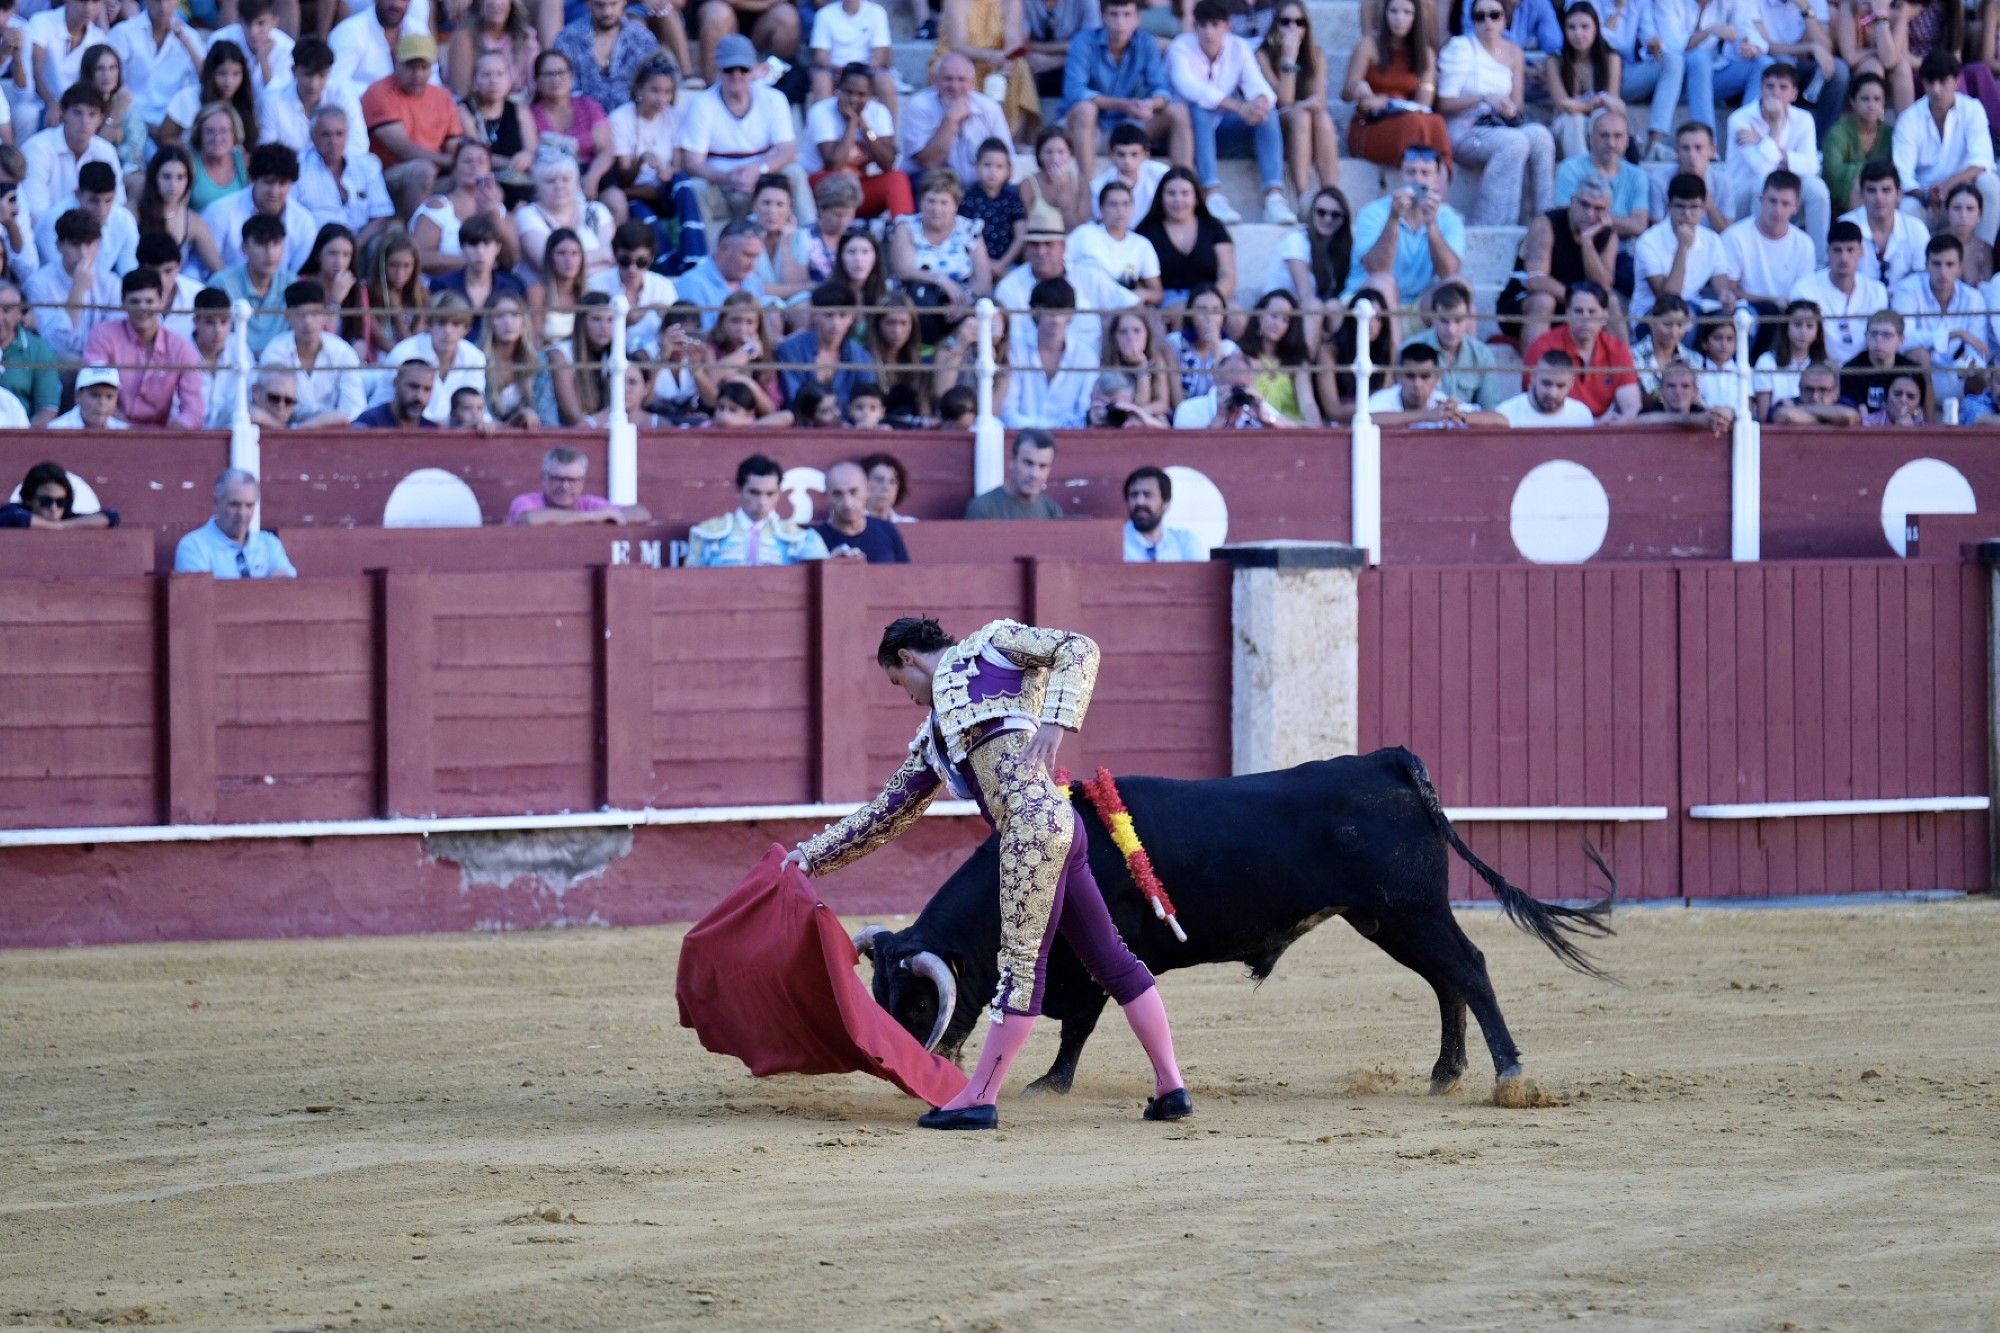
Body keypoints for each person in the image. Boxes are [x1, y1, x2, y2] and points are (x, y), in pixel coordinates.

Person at [785, 613, 1192, 1131]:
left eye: (898, 681)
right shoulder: (937, 731)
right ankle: (1170, 1086)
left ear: (907, 657)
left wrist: (1056, 720)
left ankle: (979, 1096)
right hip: (1061, 827)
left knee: (1022, 968)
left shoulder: (995, 646)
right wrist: (813, 855)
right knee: (1110, 957)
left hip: (1028, 835)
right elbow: (887, 813)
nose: (907, 696)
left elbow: (1079, 647)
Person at [1169, 0, 1294, 224]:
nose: (1209, 32)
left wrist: (1261, 102)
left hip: (1220, 131)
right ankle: (1212, 193)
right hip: (1185, 133)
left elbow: (1256, 84)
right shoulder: (1181, 46)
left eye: (1215, 25)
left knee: (1268, 114)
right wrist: (1238, 107)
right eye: (1203, 25)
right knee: (1201, 108)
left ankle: (1275, 198)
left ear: (1227, 26)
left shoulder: (1239, 47)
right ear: (1195, 26)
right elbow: (1189, 88)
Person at [1438, 0, 1557, 224]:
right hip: (1464, 128)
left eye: (1494, 15)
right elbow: (1443, 103)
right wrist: (1483, 98)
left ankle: (1545, 220)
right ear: (1472, 21)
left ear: (1505, 18)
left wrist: (1510, 109)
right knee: (1514, 143)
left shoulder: (1514, 52)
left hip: (1500, 124)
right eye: (1479, 16)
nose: (1487, 22)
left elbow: (1518, 105)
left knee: (1541, 136)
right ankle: (1491, 226)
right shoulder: (1460, 47)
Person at [681, 34, 810, 235]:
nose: (736, 75)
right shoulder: (701, 105)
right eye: (729, 69)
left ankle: (811, 241)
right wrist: (729, 177)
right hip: (721, 188)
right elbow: (693, 162)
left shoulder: (774, 99)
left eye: (743, 69)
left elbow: (788, 150)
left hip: (765, 183)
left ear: (754, 70)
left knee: (795, 173)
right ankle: (705, 257)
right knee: (695, 187)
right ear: (718, 69)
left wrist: (760, 170)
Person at [1063, 0, 1189, 185]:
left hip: (1128, 127)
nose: (1120, 22)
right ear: (1104, 17)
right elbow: (1075, 91)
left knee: (1178, 111)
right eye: (1114, 14)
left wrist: (1151, 104)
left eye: (1127, 15)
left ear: (1138, 18)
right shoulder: (1083, 42)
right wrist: (1125, 105)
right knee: (1086, 109)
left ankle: (1184, 183)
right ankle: (1087, 185)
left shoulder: (1146, 43)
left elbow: (1161, 89)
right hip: (1088, 130)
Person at [1498, 172, 1621, 348]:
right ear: (1572, 201)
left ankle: (1625, 373)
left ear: (1607, 211)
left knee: (1612, 303)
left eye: (1598, 208)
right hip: (1524, 302)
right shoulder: (1546, 224)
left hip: (1575, 307)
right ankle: (1534, 373)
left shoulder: (1608, 236)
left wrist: (1587, 243)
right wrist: (1577, 300)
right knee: (1544, 301)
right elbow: (1537, 280)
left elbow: (1603, 287)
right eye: (1584, 205)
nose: (1589, 213)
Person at [1722, 62, 1831, 254]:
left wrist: (1762, 141)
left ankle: (1819, 260)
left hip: (1784, 192)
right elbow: (1764, 170)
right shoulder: (1740, 120)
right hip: (1742, 195)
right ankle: (1757, 254)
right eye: (1769, 86)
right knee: (1763, 185)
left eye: (1783, 88)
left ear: (1794, 94)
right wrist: (1775, 128)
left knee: (1817, 188)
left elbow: (1811, 166)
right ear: (1761, 89)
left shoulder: (1804, 119)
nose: (1775, 92)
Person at [1891, 50, 1999, 242]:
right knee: (1907, 207)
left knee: (1990, 184)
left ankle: (1983, 254)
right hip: (1927, 202)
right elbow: (1903, 175)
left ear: (1956, 81)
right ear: (1923, 84)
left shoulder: (1972, 109)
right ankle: (1921, 265)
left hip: (1965, 196)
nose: (1936, 89)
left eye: (1942, 82)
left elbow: (1982, 161)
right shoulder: (1909, 119)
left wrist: (1948, 186)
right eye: (1930, 82)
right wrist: (1926, 195)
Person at [82, 268, 204, 428]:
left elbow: (193, 410)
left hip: (160, 439)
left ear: (161, 302)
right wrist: (131, 430)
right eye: (135, 301)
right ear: (123, 303)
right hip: (110, 430)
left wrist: (175, 430)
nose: (142, 308)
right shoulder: (103, 335)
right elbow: (94, 393)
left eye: (149, 301)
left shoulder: (180, 348)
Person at [1348, 144, 1465, 308]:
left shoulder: (1449, 218)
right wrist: (1393, 218)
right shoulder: (1372, 213)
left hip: (1419, 304)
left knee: (1458, 285)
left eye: (1425, 173)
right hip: (1371, 304)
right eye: (1411, 172)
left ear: (1437, 180)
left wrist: (1431, 224)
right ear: (1401, 176)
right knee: (1384, 283)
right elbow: (1377, 268)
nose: (1418, 180)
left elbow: (1449, 271)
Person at [362, 34, 462, 222]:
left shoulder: (442, 97)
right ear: (396, 63)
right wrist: (453, 162)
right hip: (388, 175)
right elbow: (403, 150)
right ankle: (418, 237)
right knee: (421, 170)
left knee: (474, 175)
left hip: (436, 171)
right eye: (410, 66)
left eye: (424, 67)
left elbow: (455, 145)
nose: (417, 75)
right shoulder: (379, 93)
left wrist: (464, 164)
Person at [1344, 0, 1452, 169]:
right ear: (1385, 14)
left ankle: (1439, 187)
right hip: (1370, 125)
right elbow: (1346, 92)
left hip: (1407, 118)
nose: (1399, 18)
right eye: (1393, 11)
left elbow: (1423, 105)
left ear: (1416, 18)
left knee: (1436, 123)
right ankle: (1415, 183)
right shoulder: (1368, 45)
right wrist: (1358, 88)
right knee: (1414, 124)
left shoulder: (1426, 54)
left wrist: (1389, 102)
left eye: (1407, 13)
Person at [1721, 168, 1815, 353]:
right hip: (1745, 314)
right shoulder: (1735, 237)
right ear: (1761, 200)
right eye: (1772, 201)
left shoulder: (1804, 244)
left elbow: (1802, 295)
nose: (1777, 210)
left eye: (1785, 203)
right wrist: (1772, 300)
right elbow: (1729, 290)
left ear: (1796, 207)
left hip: (1788, 315)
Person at [804, 61, 912, 220]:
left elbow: (888, 164)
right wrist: (852, 123)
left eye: (861, 94)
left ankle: (906, 233)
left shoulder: (879, 112)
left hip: (862, 189)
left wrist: (865, 127)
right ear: (838, 89)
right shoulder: (821, 112)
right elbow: (834, 164)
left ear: (871, 94)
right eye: (848, 92)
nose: (854, 99)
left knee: (897, 179)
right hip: (827, 188)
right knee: (827, 178)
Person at [1519, 278, 1641, 418]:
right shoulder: (1543, 347)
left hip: (1601, 430)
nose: (1585, 318)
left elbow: (1631, 407)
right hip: (1555, 426)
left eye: (1592, 312)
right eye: (1578, 311)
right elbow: (1538, 404)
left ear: (1605, 315)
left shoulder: (1618, 349)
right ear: (1567, 313)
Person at [1890, 231, 1987, 404]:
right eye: (1936, 264)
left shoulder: (1973, 298)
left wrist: (1968, 365)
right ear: (1926, 265)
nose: (1943, 272)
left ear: (1960, 268)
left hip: (1958, 373)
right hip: (1918, 374)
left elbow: (1979, 348)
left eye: (1950, 264)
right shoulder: (1907, 289)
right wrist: (1954, 334)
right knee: (1919, 355)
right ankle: (1927, 421)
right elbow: (1901, 340)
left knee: (1981, 374)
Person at [689, 453, 832, 566]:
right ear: (739, 490)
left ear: (779, 494)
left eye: (770, 494)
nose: (762, 502)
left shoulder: (802, 538)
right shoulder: (706, 534)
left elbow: (825, 577)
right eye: (754, 492)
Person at [258, 278, 367, 425]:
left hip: (335, 431)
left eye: (315, 314)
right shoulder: (275, 353)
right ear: (287, 316)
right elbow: (271, 407)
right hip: (286, 433)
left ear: (325, 315)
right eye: (300, 315)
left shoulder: (343, 352)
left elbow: (354, 410)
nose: (308, 322)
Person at [203, 143, 321, 274]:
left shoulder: (304, 222)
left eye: (282, 183)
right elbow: (199, 270)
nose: (274, 191)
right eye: (268, 182)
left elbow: (299, 276)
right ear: (253, 178)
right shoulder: (219, 212)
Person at [902, 53, 1015, 186]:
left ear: (972, 84)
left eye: (961, 80)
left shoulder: (990, 108)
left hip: (978, 186)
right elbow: (929, 163)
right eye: (948, 79)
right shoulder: (920, 105)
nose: (955, 87)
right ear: (936, 81)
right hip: (934, 182)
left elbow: (1006, 161)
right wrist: (950, 120)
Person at [24, 207, 120, 362]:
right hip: (58, 366)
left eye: (89, 244)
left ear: (98, 244)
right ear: (59, 245)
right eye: (75, 244)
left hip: (102, 363)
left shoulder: (112, 284)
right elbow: (57, 345)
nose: (83, 253)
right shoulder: (38, 284)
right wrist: (78, 290)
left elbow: (116, 338)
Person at [1136, 166, 1235, 308]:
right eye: (1171, 193)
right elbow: (1139, 278)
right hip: (1166, 299)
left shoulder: (1214, 226)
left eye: (1185, 193)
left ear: (1196, 198)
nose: (1178, 200)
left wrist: (1213, 298)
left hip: (1211, 296)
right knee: (1181, 310)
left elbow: (1228, 275)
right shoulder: (1147, 231)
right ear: (1161, 198)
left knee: (1237, 317)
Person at [1791, 217, 1886, 364]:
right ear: (1827, 252)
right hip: (1818, 369)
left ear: (1861, 252)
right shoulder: (1805, 290)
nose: (1844, 258)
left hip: (1864, 370)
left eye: (1850, 250)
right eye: (1837, 250)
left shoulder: (1877, 291)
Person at [1402, 280, 1510, 408]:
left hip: (1467, 424)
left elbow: (1491, 408)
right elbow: (1399, 404)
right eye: (1444, 321)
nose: (1451, 330)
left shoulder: (1482, 355)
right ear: (1432, 318)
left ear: (1469, 318)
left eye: (1458, 320)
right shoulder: (1408, 349)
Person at [173, 468, 297, 579]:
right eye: (234, 505)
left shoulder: (270, 544)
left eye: (249, 506)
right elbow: (197, 599)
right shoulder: (193, 547)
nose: (242, 513)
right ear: (217, 503)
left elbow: (288, 587)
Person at [296, 105, 394, 245]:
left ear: (347, 135)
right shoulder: (298, 169)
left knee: (385, 242)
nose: (333, 142)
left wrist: (354, 246)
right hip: (316, 246)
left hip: (360, 244)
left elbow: (381, 215)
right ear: (313, 137)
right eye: (326, 134)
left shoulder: (367, 165)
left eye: (339, 134)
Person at [1555, 107, 1650, 241]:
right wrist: (1616, 222)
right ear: (1591, 138)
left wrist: (1591, 217)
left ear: (1627, 140)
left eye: (1618, 136)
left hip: (1622, 253)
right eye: (1604, 135)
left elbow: (1639, 225)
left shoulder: (1637, 175)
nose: (1611, 143)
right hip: (1578, 247)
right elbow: (1567, 219)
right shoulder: (1570, 169)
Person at [211, 212, 297, 359]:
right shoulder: (221, 284)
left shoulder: (292, 285)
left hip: (280, 364)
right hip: (233, 362)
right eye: (261, 244)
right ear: (244, 247)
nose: (270, 253)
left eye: (276, 243)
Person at [1546, 1, 1623, 161]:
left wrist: (1582, 105)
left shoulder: (1611, 59)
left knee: (1603, 117)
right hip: (1564, 126)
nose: (1578, 34)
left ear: (1596, 27)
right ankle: (1584, 177)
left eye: (1584, 26)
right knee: (1574, 120)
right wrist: (1595, 102)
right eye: (1571, 27)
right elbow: (1563, 104)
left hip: (1598, 120)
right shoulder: (1554, 61)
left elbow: (1612, 103)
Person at [551, 0, 660, 114]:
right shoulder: (568, 38)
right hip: (583, 120)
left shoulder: (643, 40)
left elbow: (654, 83)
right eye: (600, 5)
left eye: (613, 4)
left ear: (624, 2)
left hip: (632, 121)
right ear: (588, 3)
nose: (607, 11)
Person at [505, 444, 651, 524]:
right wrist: (595, 517)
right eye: (558, 479)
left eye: (572, 480)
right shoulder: (527, 501)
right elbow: (529, 519)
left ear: (582, 481)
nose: (565, 486)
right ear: (544, 478)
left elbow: (641, 513)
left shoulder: (588, 503)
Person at [1068, 180, 1163, 303]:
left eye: (1125, 204)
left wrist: (1143, 294)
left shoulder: (1142, 245)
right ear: (1101, 208)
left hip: (1121, 309)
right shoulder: (1084, 234)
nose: (1120, 210)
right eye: (1113, 204)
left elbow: (1157, 293)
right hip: (1084, 305)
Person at [1841, 157, 1926, 287]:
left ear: (1899, 194)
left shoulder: (1916, 229)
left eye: (1886, 190)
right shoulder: (1844, 226)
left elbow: (1923, 280)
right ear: (1862, 194)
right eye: (1871, 190)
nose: (1879, 198)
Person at [813, 458, 910, 562]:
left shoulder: (887, 530)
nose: (847, 503)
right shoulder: (814, 541)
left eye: (853, 492)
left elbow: (906, 575)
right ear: (826, 497)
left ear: (867, 490)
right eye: (837, 494)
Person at [1821, 69, 1892, 209]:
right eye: (1865, 99)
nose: (1871, 105)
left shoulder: (1891, 134)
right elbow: (1832, 171)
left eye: (1877, 99)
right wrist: (1870, 174)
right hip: (1842, 202)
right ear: (1853, 101)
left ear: (1883, 103)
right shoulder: (1838, 133)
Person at [809, 0, 895, 112]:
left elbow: (881, 55)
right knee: (821, 80)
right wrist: (842, 70)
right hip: (835, 71)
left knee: (885, 81)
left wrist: (859, 71)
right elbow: (821, 56)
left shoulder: (877, 12)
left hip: (867, 70)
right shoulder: (824, 14)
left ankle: (889, 128)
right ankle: (822, 127)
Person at [1172, 350, 1294, 426]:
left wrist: (1267, 420)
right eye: (1230, 387)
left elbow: (1301, 432)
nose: (1236, 393)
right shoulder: (1189, 409)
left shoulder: (1258, 408)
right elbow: (1188, 450)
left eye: (1241, 387)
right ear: (1216, 380)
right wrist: (1220, 418)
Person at [1837, 307, 1923, 414]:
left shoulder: (1911, 371)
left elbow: (1918, 410)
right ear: (1866, 337)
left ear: (1901, 340)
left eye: (1887, 335)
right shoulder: (1851, 370)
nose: (1878, 340)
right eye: (1873, 334)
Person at [967, 427, 1063, 518]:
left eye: (1043, 466)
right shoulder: (983, 509)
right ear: (1012, 461)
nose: (1035, 474)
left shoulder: (1052, 511)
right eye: (1028, 463)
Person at [960, 136, 1026, 267]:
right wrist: (984, 265)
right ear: (976, 166)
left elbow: (1021, 236)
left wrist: (1002, 264)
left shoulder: (1013, 198)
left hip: (1008, 263)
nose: (993, 171)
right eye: (987, 165)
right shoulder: (967, 198)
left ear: (1008, 170)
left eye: (999, 167)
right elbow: (962, 235)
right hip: (973, 263)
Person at [0, 278, 59, 424]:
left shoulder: (39, 350)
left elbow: (47, 409)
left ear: (20, 314)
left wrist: (23, 442)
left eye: (6, 310)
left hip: (20, 433)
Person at [1121, 465, 1207, 561]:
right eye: (1134, 495)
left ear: (1166, 503)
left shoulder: (1185, 542)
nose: (1139, 502)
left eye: (1148, 495)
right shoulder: (1114, 544)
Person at [0, 459, 116, 528]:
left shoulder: (66, 518)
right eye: (46, 501)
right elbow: (16, 517)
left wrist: (61, 526)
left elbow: (111, 516)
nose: (54, 508)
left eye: (60, 502)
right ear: (29, 499)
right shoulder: (13, 510)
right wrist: (52, 526)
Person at [1496, 349, 1595, 424]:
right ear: (1533, 377)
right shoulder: (1506, 414)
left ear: (1571, 383)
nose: (1552, 393)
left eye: (1560, 386)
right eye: (1546, 383)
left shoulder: (1582, 416)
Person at [1638, 358, 1737, 431]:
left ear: (1695, 391)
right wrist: (1693, 419)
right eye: (1671, 386)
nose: (1678, 392)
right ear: (1661, 390)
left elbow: (1727, 416)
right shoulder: (1648, 411)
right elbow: (1639, 420)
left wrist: (1728, 413)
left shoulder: (1702, 413)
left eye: (1685, 386)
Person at [352, 356, 438, 426]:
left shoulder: (434, 432)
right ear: (396, 383)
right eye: (413, 386)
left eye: (427, 389)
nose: (419, 396)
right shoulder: (368, 424)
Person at [1767, 356, 1858, 422]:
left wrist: (1798, 409)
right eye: (1809, 389)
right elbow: (1787, 416)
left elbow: (1848, 416)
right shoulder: (1784, 403)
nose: (1815, 396)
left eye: (1823, 390)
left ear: (1836, 392)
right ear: (1800, 389)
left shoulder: (1846, 403)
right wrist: (1832, 418)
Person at [47, 365, 127, 429]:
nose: (102, 402)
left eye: (109, 396)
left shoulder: (124, 431)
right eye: (95, 395)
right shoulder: (56, 430)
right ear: (77, 396)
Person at [1861, 369, 1927, 424]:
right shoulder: (1869, 424)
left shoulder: (1926, 431)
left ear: (1919, 403)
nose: (1903, 400)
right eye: (1897, 394)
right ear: (1886, 396)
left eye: (1910, 396)